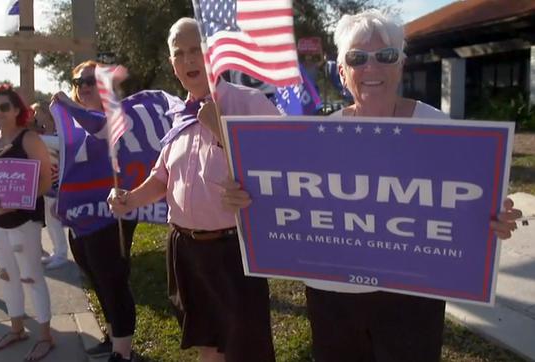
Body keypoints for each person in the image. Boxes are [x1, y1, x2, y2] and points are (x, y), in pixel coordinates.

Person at [219, 10, 524, 362]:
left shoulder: (440, 129)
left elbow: (470, 204)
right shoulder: (316, 139)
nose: (372, 68)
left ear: (401, 65)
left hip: (413, 298)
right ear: (342, 71)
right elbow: (286, 201)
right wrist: (245, 199)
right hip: (332, 296)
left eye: (386, 56)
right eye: (358, 58)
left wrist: (495, 218)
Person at [107, 18, 278, 362]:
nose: (188, 60)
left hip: (234, 252)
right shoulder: (178, 116)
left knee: (243, 349)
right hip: (185, 250)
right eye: (179, 54)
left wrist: (222, 131)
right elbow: (162, 179)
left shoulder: (249, 104)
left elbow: (282, 172)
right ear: (172, 64)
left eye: (195, 50)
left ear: (213, 53)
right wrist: (130, 199)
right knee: (208, 344)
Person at [0, 84, 54, 361]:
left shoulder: (29, 139)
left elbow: (46, 180)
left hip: (22, 221)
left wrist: (19, 202)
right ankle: (17, 328)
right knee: (5, 276)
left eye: (5, 106)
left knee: (31, 276)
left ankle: (44, 336)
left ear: (18, 109)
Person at [61, 60, 138, 362]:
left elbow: (103, 131)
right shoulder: (71, 123)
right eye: (80, 82)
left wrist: (68, 105)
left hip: (111, 213)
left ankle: (123, 353)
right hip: (80, 218)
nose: (86, 87)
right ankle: (112, 336)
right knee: (96, 277)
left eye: (93, 80)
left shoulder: (117, 115)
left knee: (113, 279)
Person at [30, 102, 69, 270]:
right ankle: (57, 251)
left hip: (61, 184)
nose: (35, 116)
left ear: (47, 114)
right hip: (47, 185)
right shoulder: (40, 134)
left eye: (38, 112)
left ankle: (62, 254)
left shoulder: (59, 132)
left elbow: (61, 144)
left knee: (58, 219)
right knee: (51, 221)